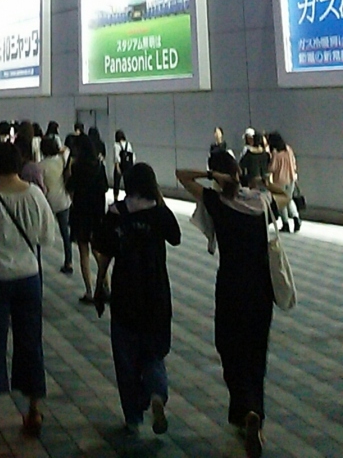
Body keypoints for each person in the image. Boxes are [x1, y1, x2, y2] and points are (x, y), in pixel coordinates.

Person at [176, 152, 288, 458]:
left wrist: (212, 177)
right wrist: (259, 182)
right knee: (256, 353)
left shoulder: (216, 201)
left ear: (218, 174)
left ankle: (245, 409)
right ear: (239, 172)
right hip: (261, 289)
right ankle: (254, 415)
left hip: (231, 288)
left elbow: (181, 175)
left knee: (229, 347)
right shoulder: (261, 202)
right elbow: (284, 194)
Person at [0, 139, 56, 440]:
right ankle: (34, 410)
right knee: (31, 343)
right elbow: (47, 237)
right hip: (29, 277)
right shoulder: (35, 195)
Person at [94, 162, 180, 436]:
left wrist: (99, 284)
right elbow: (176, 237)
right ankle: (156, 394)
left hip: (125, 294)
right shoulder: (160, 213)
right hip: (156, 294)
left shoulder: (116, 213)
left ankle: (133, 417)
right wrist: (159, 202)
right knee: (153, 353)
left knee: (126, 358)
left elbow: (104, 252)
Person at [67, 134, 108, 302]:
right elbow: (105, 188)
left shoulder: (76, 167)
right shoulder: (99, 166)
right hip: (97, 214)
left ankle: (90, 292)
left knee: (84, 253)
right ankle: (106, 287)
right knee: (98, 252)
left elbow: (70, 187)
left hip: (80, 214)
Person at [40, 135, 72, 273]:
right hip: (63, 200)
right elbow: (67, 150)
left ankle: (37, 262)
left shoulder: (41, 166)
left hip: (48, 202)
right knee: (65, 233)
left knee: (41, 232)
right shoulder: (61, 159)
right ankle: (69, 262)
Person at [266, 131, 301, 232]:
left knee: (281, 202)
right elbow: (293, 162)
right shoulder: (288, 149)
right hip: (291, 178)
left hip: (280, 181)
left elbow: (273, 168)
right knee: (289, 199)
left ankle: (285, 224)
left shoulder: (276, 153)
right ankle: (296, 218)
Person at [113, 130, 135, 201]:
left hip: (120, 165)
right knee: (127, 183)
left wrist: (117, 167)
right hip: (128, 166)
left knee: (117, 183)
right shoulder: (128, 144)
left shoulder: (116, 145)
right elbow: (132, 156)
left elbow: (116, 157)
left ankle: (116, 198)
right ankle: (129, 197)